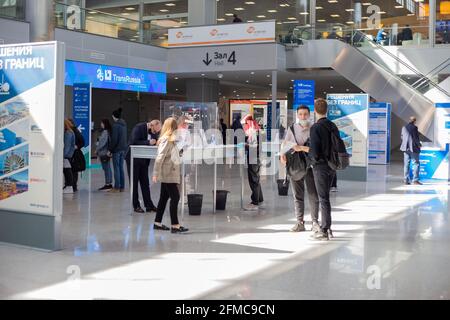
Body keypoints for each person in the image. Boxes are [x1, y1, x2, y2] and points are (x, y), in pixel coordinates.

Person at [281, 106, 320, 233]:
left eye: (305, 114)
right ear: (297, 115)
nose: (303, 116)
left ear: (309, 115)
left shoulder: (314, 129)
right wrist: (282, 154)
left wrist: (301, 148)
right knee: (297, 195)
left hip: (310, 165)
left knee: (313, 194)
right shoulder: (292, 128)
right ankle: (300, 222)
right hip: (295, 165)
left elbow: (317, 149)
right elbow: (285, 143)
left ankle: (315, 222)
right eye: (301, 114)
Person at [308, 98, 339, 241]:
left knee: (323, 198)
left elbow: (314, 151)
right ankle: (328, 227)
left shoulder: (315, 127)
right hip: (332, 166)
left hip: (320, 167)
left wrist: (312, 162)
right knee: (325, 197)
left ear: (315, 110)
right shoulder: (333, 125)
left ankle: (325, 229)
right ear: (326, 110)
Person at [152, 117, 189, 234]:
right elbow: (159, 157)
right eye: (176, 126)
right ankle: (175, 225)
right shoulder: (166, 140)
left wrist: (182, 148)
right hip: (168, 173)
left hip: (171, 172)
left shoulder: (172, 140)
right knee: (175, 197)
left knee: (164, 198)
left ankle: (157, 222)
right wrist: (155, 173)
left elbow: (174, 153)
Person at [126, 120, 159, 213]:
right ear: (152, 125)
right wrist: (148, 142)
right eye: (155, 131)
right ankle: (136, 205)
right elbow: (134, 141)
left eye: (157, 132)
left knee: (145, 183)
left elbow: (154, 140)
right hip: (133, 159)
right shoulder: (139, 127)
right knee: (134, 183)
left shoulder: (153, 132)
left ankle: (149, 205)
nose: (155, 133)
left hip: (144, 159)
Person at [243, 114, 263, 210]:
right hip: (256, 156)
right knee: (256, 178)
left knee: (253, 179)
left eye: (245, 125)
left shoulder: (252, 131)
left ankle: (255, 202)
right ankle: (259, 198)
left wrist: (245, 145)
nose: (244, 127)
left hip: (253, 157)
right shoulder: (256, 130)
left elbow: (253, 146)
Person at [108, 108, 128, 192]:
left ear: (113, 116)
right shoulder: (124, 125)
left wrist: (110, 150)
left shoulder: (116, 126)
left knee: (116, 168)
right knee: (121, 168)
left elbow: (114, 139)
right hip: (123, 149)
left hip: (117, 150)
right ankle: (122, 187)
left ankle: (116, 187)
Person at [400, 116, 422, 185]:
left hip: (405, 148)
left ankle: (406, 180)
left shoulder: (404, 127)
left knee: (406, 164)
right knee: (416, 163)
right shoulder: (414, 128)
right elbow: (416, 138)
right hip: (413, 148)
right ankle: (415, 180)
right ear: (414, 121)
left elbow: (402, 137)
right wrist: (419, 145)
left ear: (409, 120)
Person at [68, 118, 85, 192]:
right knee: (71, 170)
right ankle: (71, 185)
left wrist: (77, 146)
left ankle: (73, 186)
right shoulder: (69, 131)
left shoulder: (75, 131)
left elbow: (82, 142)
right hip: (70, 153)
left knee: (74, 170)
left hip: (75, 154)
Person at [96, 119, 113, 191]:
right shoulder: (108, 131)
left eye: (102, 123)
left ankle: (108, 184)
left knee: (106, 168)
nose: (101, 125)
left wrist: (97, 149)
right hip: (106, 152)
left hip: (103, 152)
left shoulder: (105, 132)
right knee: (107, 168)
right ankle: (108, 183)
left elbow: (102, 142)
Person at [63, 119, 76, 194]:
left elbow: (67, 147)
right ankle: (68, 186)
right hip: (68, 155)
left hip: (67, 156)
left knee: (67, 171)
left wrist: (63, 156)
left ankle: (69, 186)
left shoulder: (68, 133)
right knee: (67, 170)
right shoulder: (70, 132)